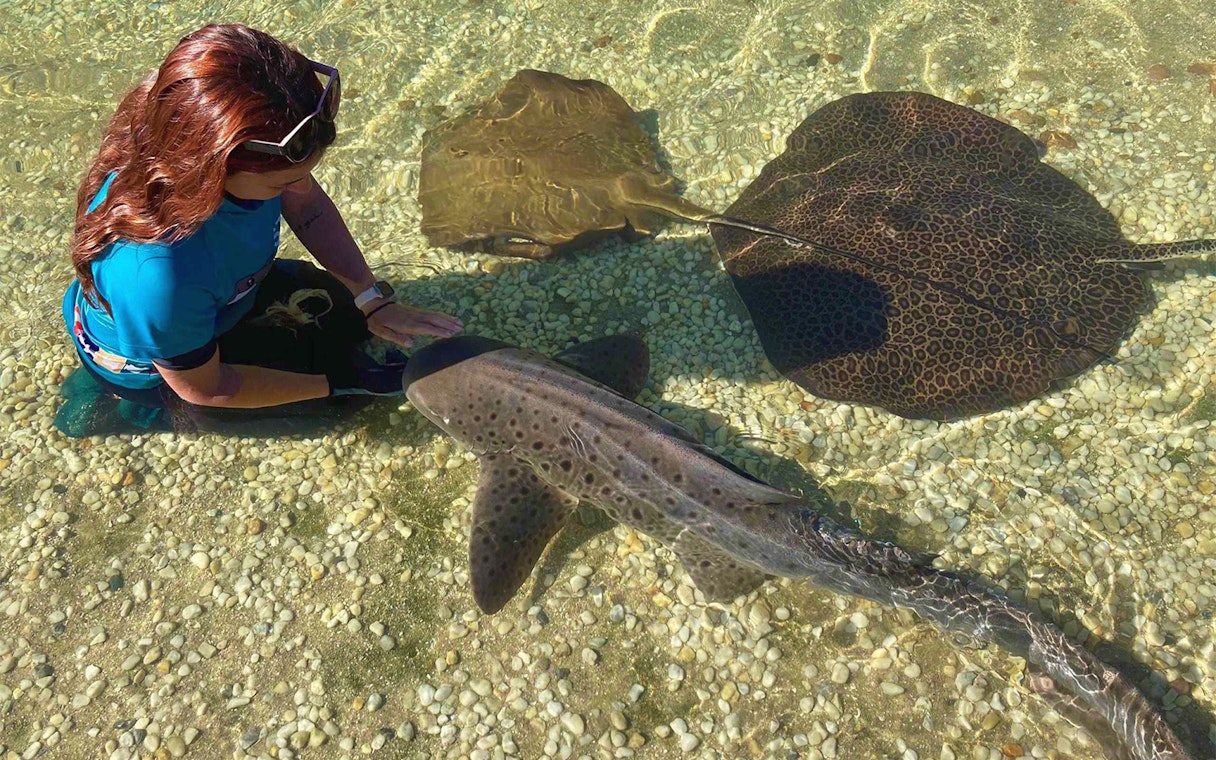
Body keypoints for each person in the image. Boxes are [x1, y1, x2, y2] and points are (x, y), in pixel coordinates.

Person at [56, 23, 462, 437]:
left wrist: (369, 298)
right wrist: (340, 384)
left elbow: (310, 208)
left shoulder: (201, 137)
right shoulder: (155, 274)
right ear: (211, 168)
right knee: (339, 407)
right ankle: (124, 411)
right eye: (282, 185)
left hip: (218, 300)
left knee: (345, 321)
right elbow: (206, 388)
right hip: (162, 373)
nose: (299, 187)